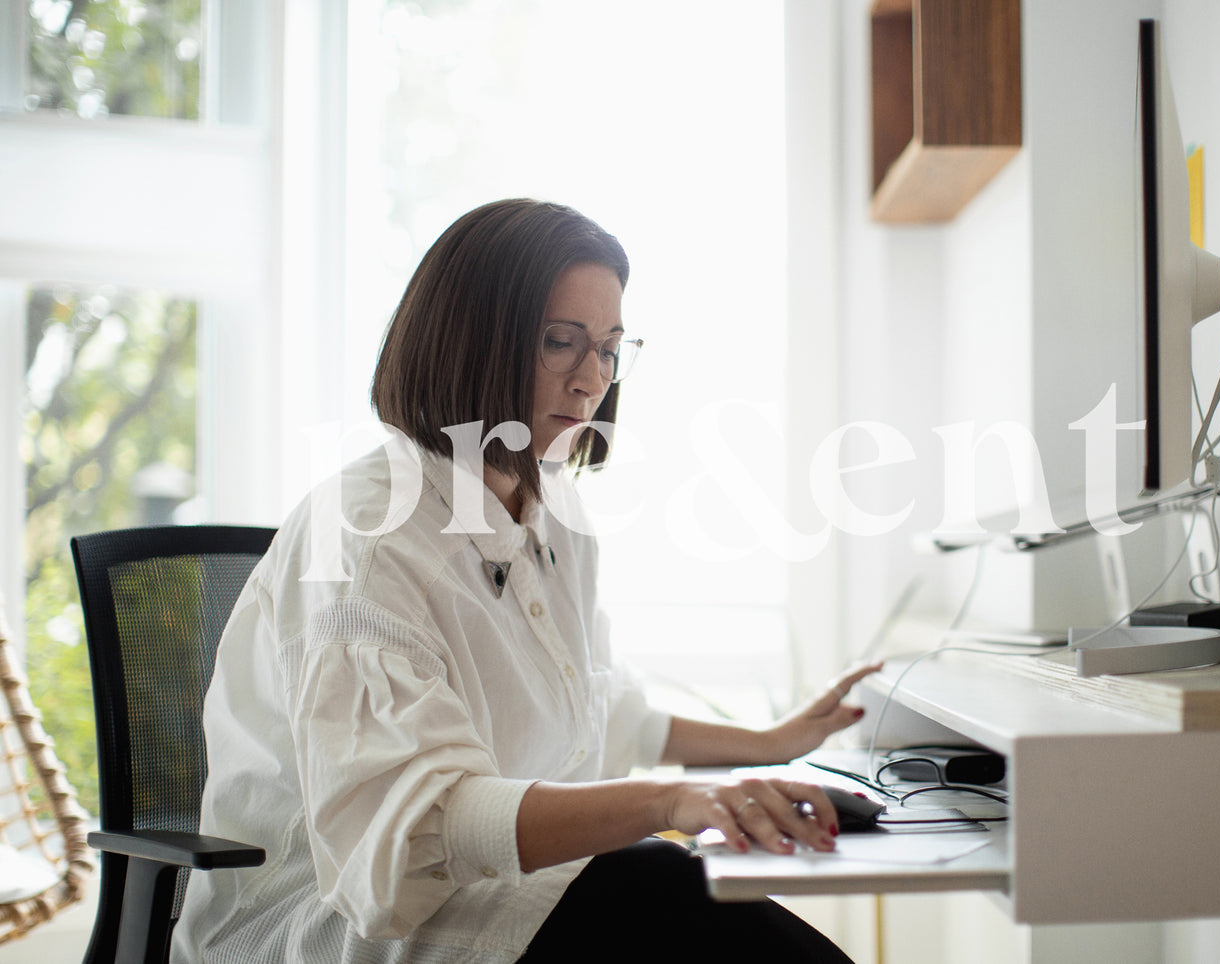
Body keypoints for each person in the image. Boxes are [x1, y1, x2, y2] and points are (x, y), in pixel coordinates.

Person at [173, 199, 880, 963]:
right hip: (330, 927)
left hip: (495, 895)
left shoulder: (554, 513)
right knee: (661, 889)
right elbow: (413, 831)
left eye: (610, 349)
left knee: (665, 890)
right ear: (469, 341)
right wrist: (668, 800)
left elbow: (595, 713)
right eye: (559, 343)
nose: (591, 381)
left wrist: (769, 743)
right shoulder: (365, 536)